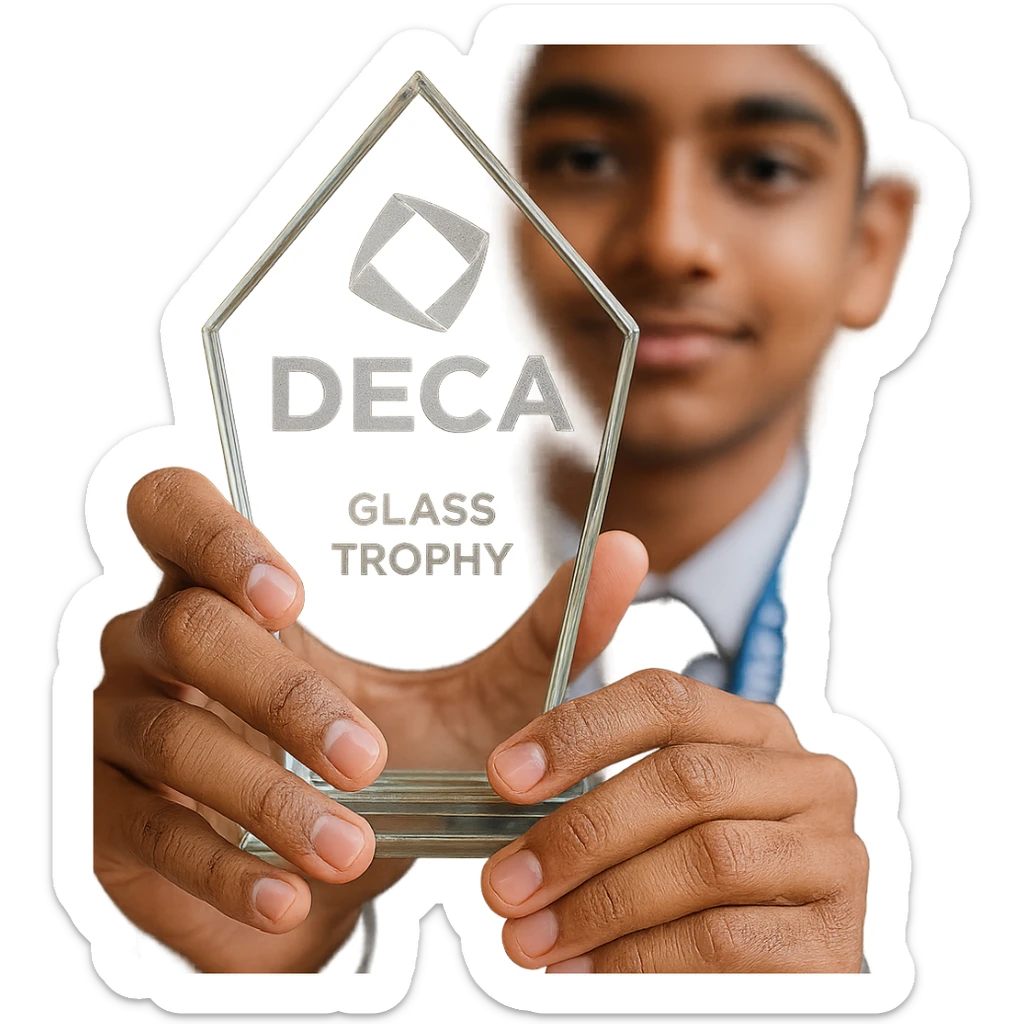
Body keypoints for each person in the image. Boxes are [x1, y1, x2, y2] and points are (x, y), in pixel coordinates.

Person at [90, 42, 918, 976]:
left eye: (764, 166)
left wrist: (825, 1001)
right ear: (497, 212)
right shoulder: (331, 604)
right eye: (585, 159)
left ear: (872, 244)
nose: (670, 240)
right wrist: (229, 971)